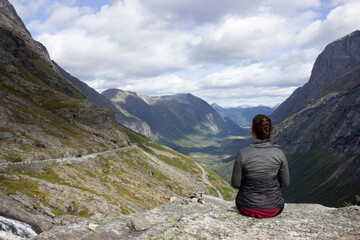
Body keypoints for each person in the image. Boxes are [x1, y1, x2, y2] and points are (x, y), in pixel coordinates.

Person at [231, 114, 290, 218]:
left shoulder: (243, 153)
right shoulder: (279, 153)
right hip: (274, 208)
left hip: (246, 207)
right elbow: (285, 183)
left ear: (252, 130)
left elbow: (235, 183)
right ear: (269, 130)